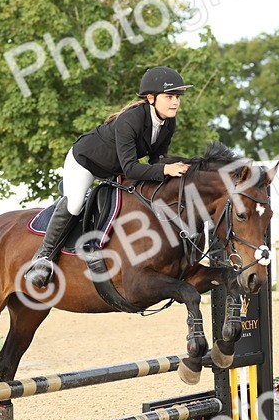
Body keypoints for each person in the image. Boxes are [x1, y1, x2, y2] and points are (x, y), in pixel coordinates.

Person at [25, 66, 193, 288]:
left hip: (115, 169)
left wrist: (183, 167)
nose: (175, 102)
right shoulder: (130, 120)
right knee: (75, 204)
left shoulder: (168, 123)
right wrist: (166, 170)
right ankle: (42, 258)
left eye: (178, 97)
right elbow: (132, 168)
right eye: (169, 96)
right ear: (151, 98)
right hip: (85, 161)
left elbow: (156, 160)